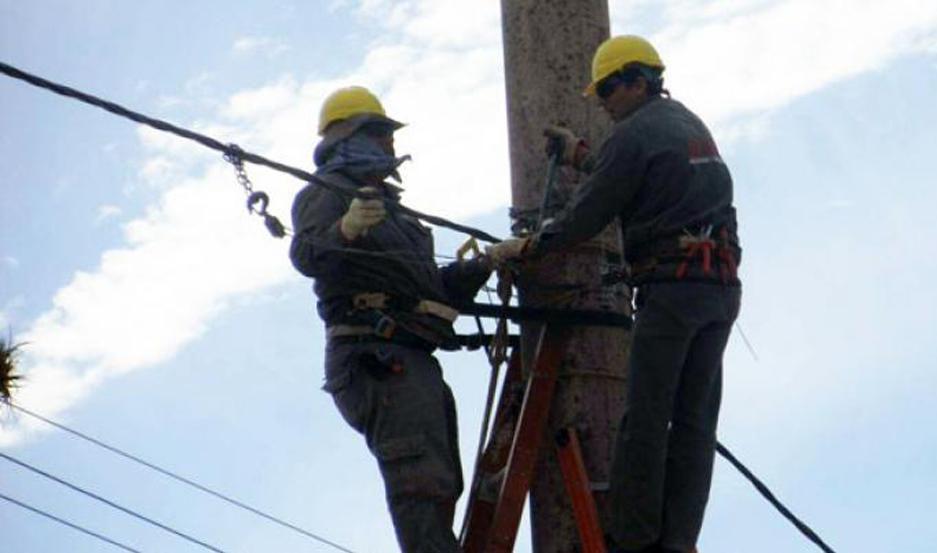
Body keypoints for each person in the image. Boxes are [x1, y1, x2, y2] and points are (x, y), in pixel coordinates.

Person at [488, 35, 742, 553]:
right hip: (718, 292)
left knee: (645, 419)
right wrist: (583, 155)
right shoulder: (690, 125)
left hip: (670, 292)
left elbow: (589, 212)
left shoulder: (633, 135)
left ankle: (634, 537)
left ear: (636, 81)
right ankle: (679, 541)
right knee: (694, 423)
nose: (602, 102)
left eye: (606, 89)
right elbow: (637, 175)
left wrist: (531, 246)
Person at [289, 86, 490, 552]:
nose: (390, 145)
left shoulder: (395, 213)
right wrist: (347, 228)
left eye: (388, 135)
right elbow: (306, 253)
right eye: (378, 133)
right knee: (419, 479)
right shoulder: (329, 192)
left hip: (408, 354)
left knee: (439, 480)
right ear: (345, 137)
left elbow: (429, 291)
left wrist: (484, 265)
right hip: (372, 355)